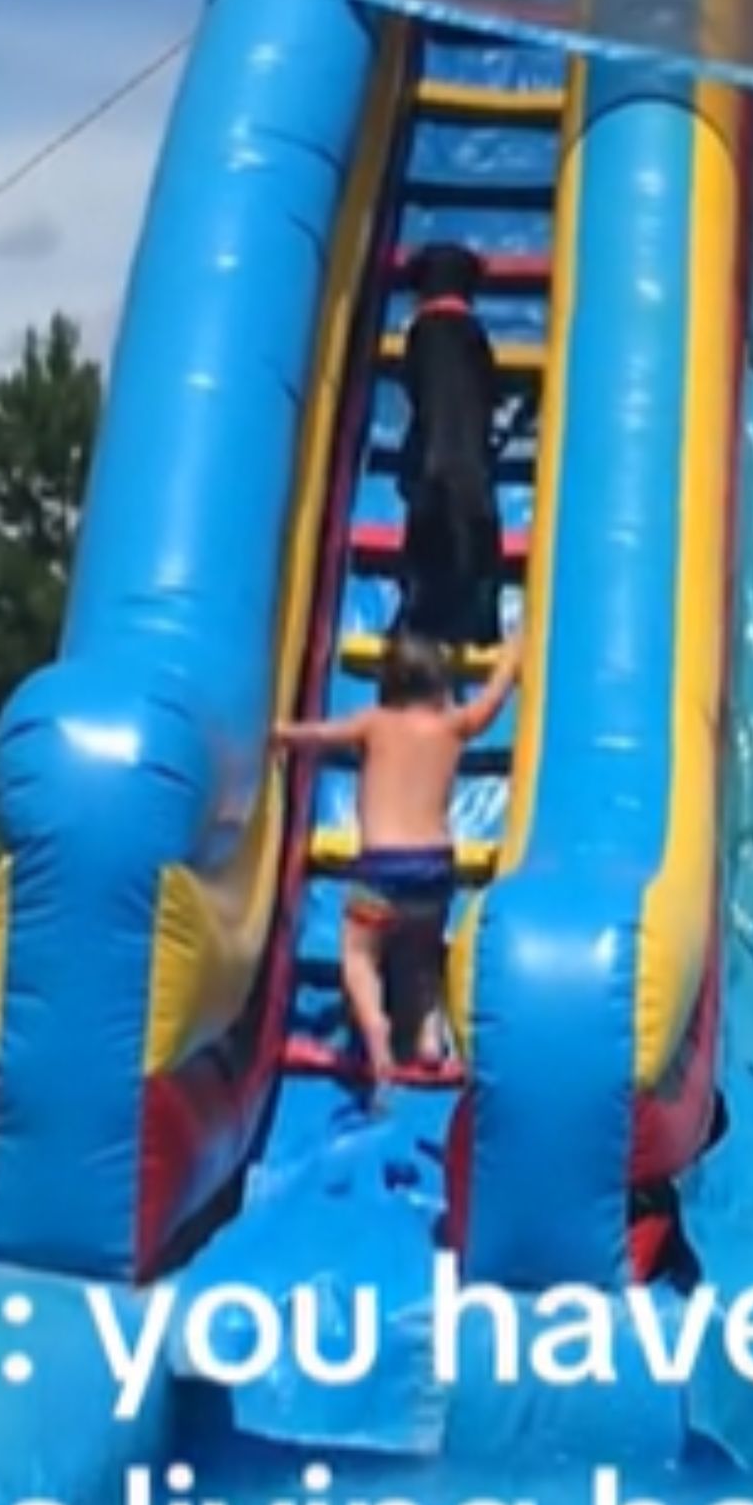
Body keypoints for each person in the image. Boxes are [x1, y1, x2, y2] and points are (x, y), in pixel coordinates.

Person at [272, 629, 522, 1098]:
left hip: (381, 870)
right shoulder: (453, 724)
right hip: (435, 869)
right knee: (423, 958)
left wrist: (280, 733)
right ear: (440, 684)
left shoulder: (374, 723)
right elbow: (490, 705)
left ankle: (376, 1030)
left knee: (359, 955)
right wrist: (510, 658)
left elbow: (321, 736)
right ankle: (428, 1040)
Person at [396, 242, 506, 649]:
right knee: (477, 536)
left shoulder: (421, 333)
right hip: (472, 466)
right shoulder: (473, 333)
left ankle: (424, 618)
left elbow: (416, 391)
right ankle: (481, 623)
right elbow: (489, 390)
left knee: (430, 540)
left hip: (434, 462)